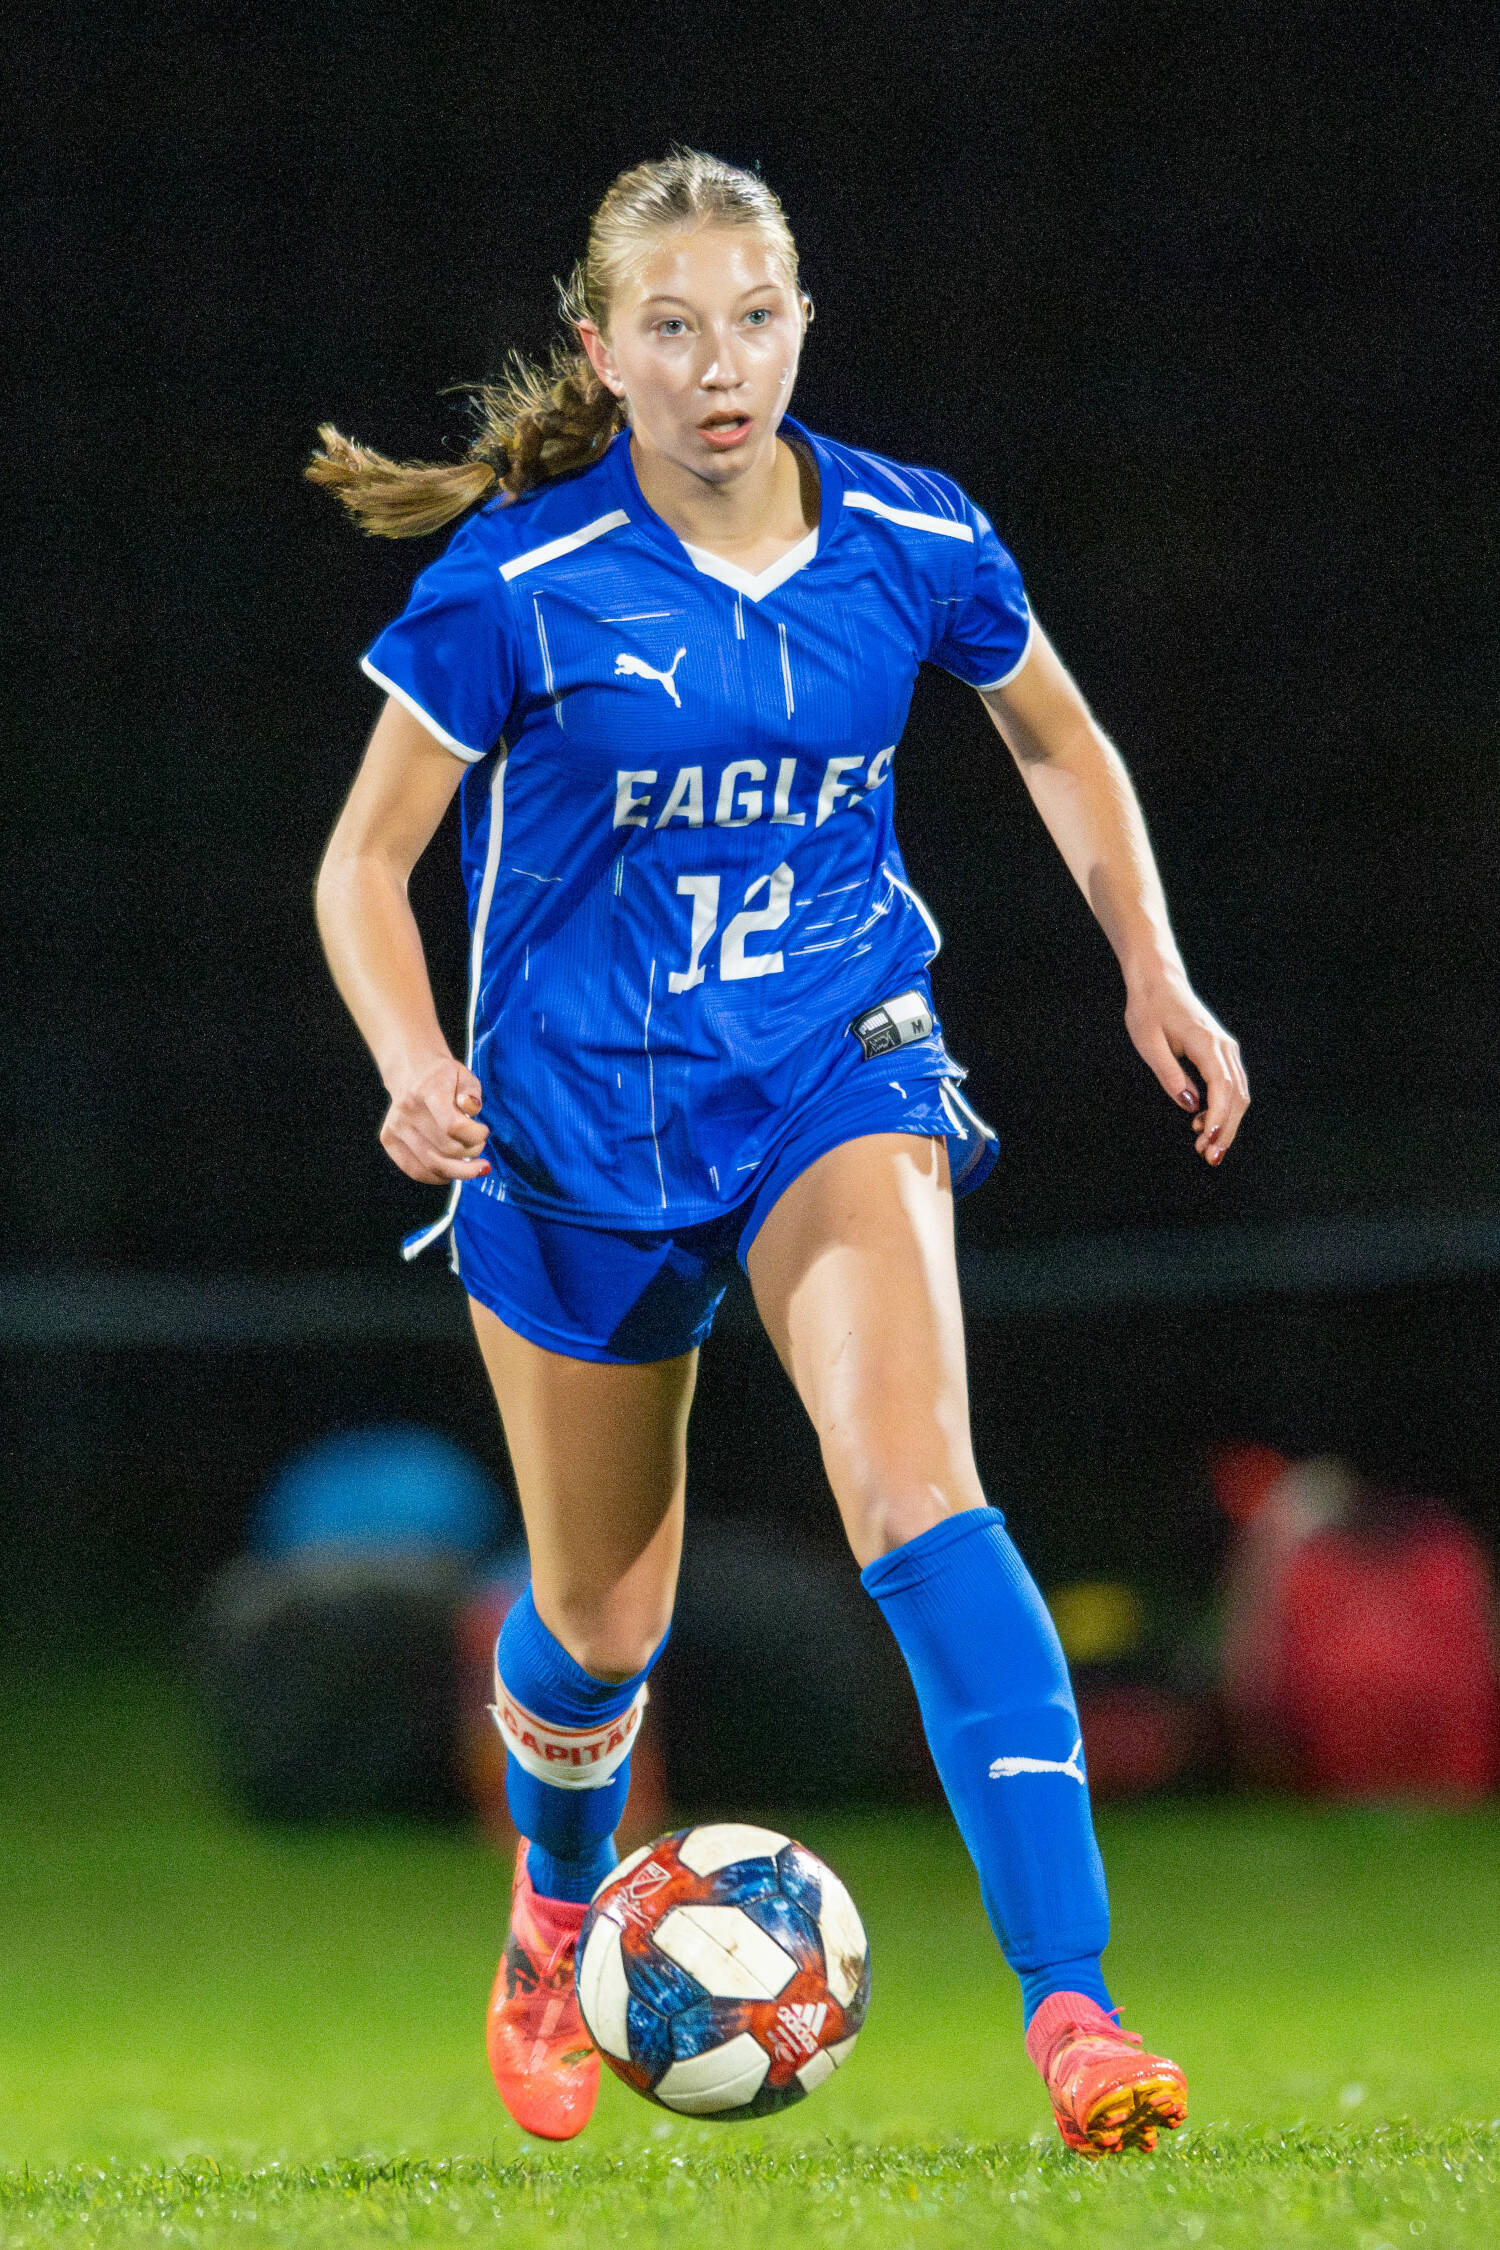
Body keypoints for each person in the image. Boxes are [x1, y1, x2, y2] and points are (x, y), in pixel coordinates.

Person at [309, 149, 1249, 2156]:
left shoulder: (911, 529)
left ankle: (1074, 2010)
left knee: (916, 1489)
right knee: (602, 1621)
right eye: (672, 325)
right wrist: (407, 1058)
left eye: (754, 316)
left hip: (837, 1065)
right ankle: (555, 1909)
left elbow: (1059, 738)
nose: (720, 363)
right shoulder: (519, 585)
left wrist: (1152, 973)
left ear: (803, 322)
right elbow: (367, 861)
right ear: (603, 351)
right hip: (572, 1134)